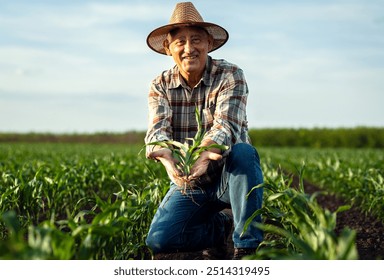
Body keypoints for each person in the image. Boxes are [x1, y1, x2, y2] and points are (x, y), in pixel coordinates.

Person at [144, 2, 264, 260]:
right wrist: (166, 158)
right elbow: (157, 131)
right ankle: (220, 225)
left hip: (229, 175)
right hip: (192, 182)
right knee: (158, 240)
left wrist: (204, 154)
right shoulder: (160, 84)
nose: (189, 49)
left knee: (244, 152)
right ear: (168, 49)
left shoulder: (230, 75)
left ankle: (247, 247)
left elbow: (227, 125)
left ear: (209, 43)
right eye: (180, 42)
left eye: (196, 40)